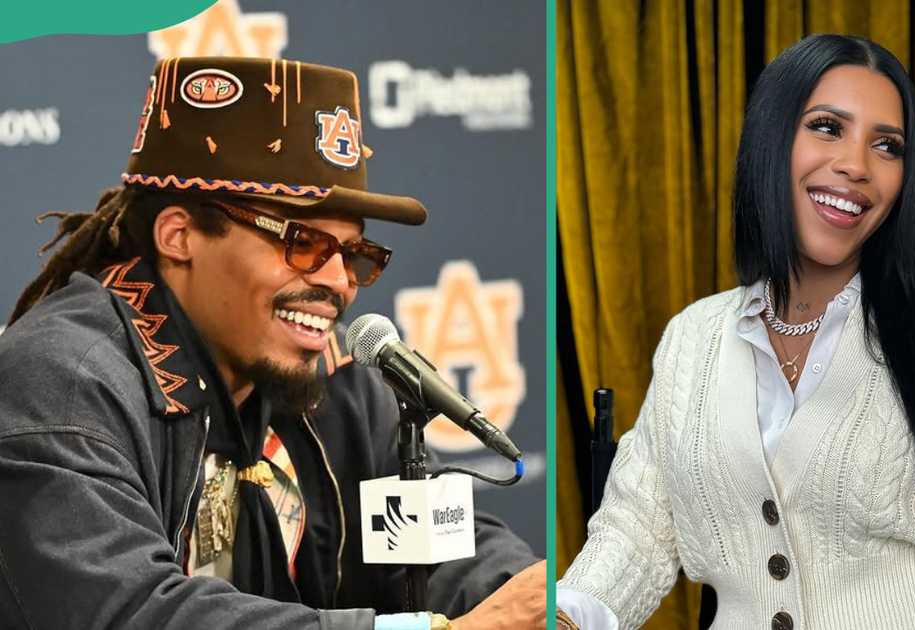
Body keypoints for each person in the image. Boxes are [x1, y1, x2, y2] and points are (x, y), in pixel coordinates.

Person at [556, 34, 915, 629]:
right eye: (827, 127)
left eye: (887, 145)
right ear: (772, 138)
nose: (857, 166)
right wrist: (565, 617)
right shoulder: (692, 339)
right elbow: (637, 531)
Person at [0, 56, 544, 630]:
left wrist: (533, 602)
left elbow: (435, 546)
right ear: (180, 236)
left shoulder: (342, 380)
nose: (338, 283)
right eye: (304, 242)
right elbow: (126, 612)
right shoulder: (61, 384)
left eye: (357, 255)